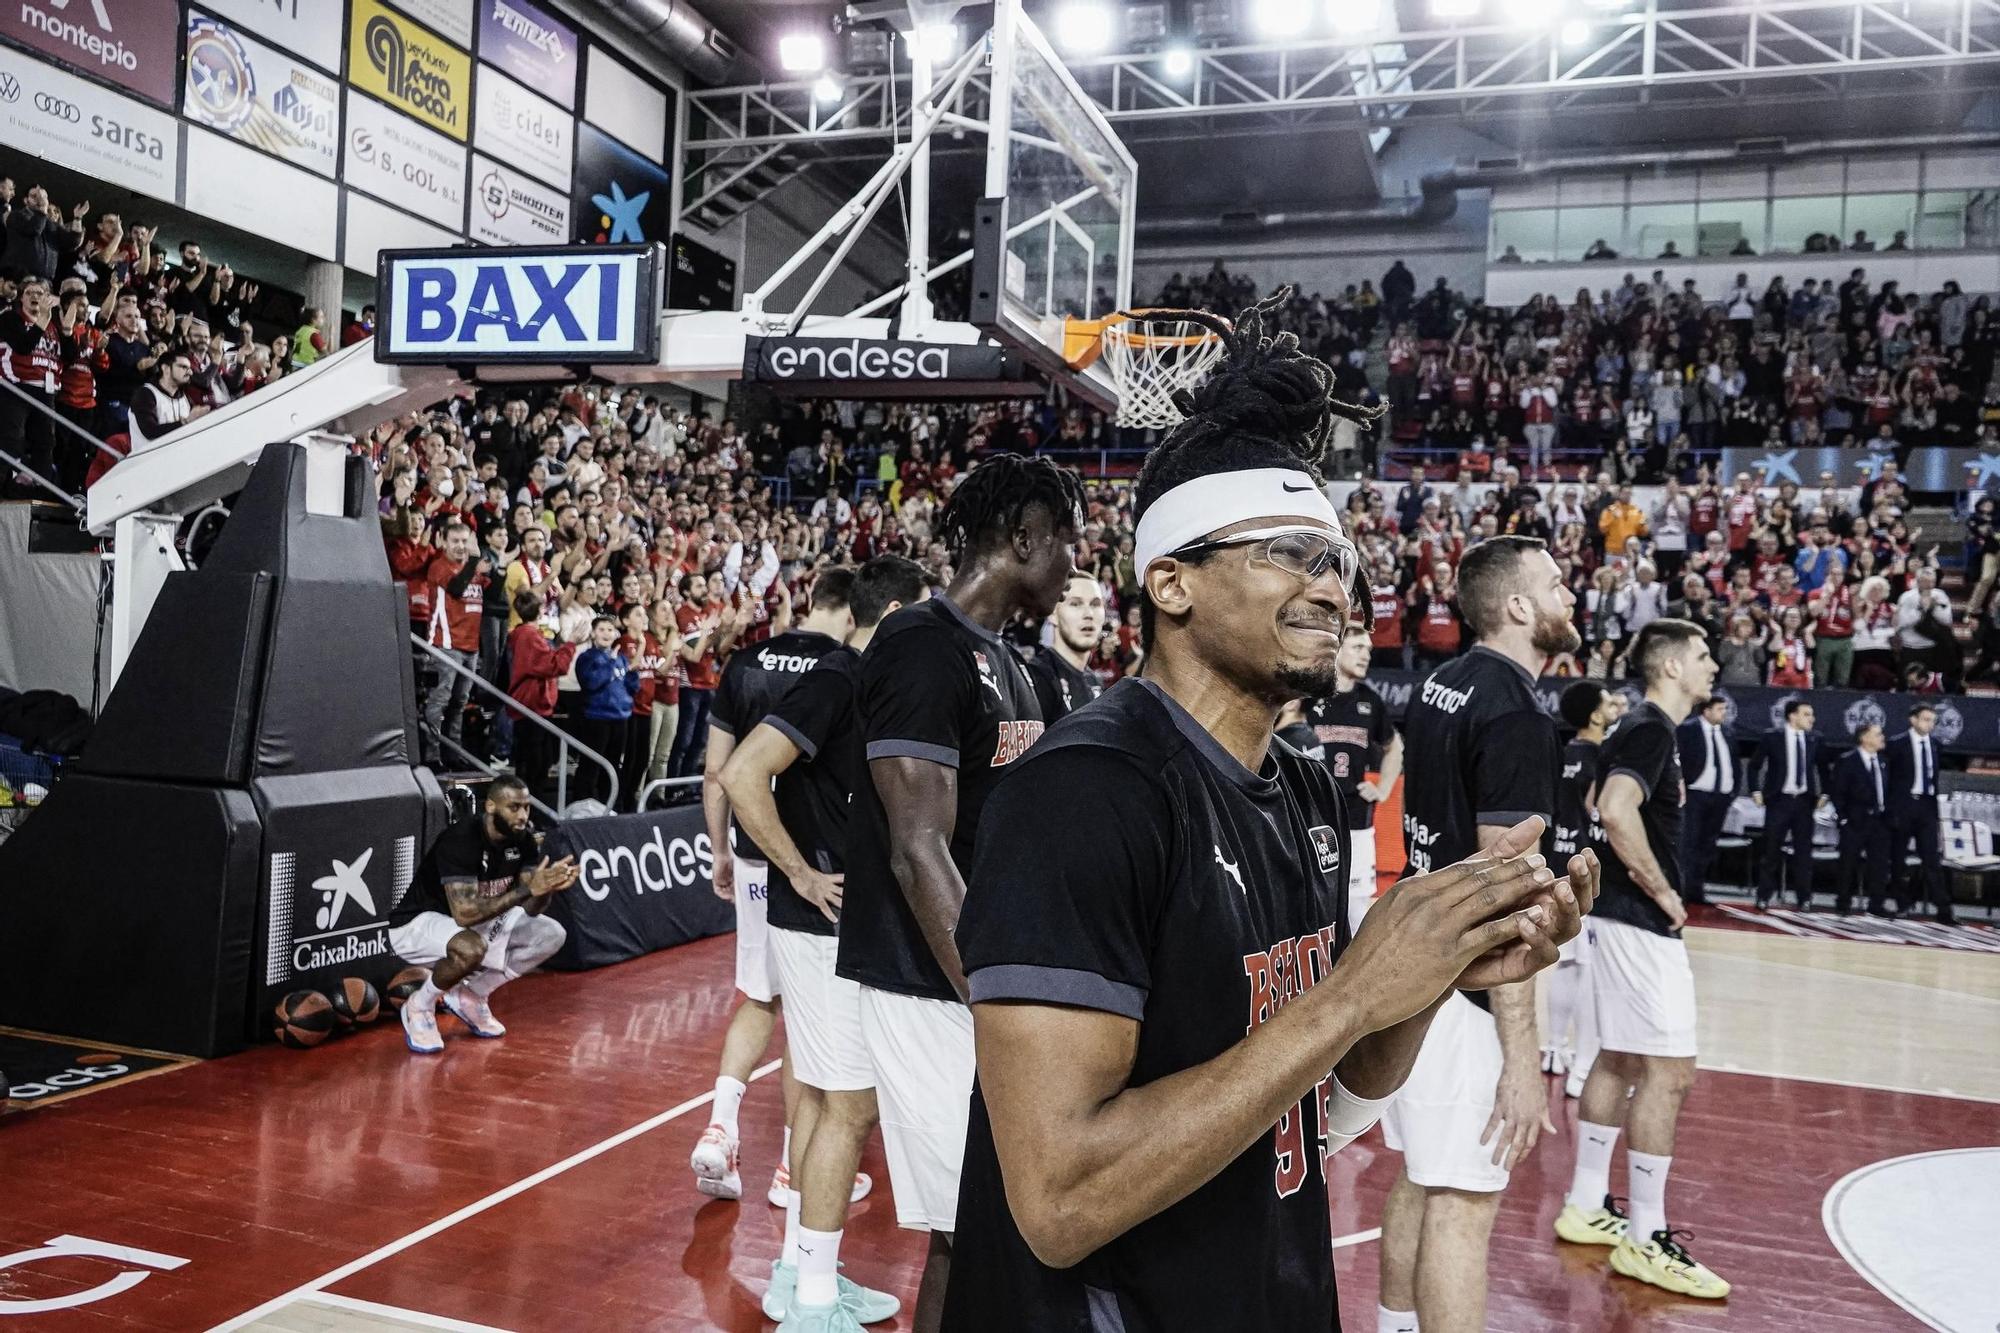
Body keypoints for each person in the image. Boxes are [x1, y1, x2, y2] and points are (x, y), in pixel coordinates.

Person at [942, 298, 1596, 1333]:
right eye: (1286, 551)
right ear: (1170, 582)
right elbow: (1059, 1200)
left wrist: (1428, 972)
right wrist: (1348, 995)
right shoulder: (1082, 792)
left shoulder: (1299, 786)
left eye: (1338, 560)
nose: (1332, 587)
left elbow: (1325, 1103)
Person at [843, 452, 1082, 1333]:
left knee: (996, 1223)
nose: (1073, 563)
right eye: (1064, 541)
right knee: (970, 1224)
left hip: (981, 972)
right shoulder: (918, 644)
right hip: (930, 979)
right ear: (1021, 535)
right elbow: (917, 849)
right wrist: (994, 995)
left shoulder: (1011, 661)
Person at [717, 555, 930, 1329]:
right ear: (900, 611)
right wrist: (803, 872)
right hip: (818, 925)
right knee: (851, 1107)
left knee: (816, 1095)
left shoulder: (862, 683)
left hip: (829, 926)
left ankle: (798, 1272)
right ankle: (810, 1304)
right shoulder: (840, 676)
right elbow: (743, 773)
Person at [1382, 533, 1582, 1333]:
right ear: (1519, 606)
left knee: (1422, 1178)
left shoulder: (1442, 683)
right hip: (1468, 987)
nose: (1571, 595)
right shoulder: (1517, 715)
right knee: (1465, 1198)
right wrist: (1523, 1062)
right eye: (1558, 584)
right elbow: (1516, 903)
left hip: (1416, 964)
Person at [1559, 618, 1729, 1299]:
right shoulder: (1653, 726)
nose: (1712, 664)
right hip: (1638, 924)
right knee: (1670, 1072)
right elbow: (1618, 808)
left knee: (1619, 1058)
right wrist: (1662, 888)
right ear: (1669, 667)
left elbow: (1605, 801)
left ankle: (1586, 1201)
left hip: (1618, 921)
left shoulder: (1641, 727)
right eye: (1702, 654)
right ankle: (1646, 1236)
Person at [690, 569, 861, 1204]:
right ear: (847, 612)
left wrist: (720, 850)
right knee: (807, 1020)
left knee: (758, 998)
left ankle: (720, 1125)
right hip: (811, 863)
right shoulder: (842, 668)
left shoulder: (744, 662)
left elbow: (717, 772)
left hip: (753, 849)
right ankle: (795, 1167)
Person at [387, 775, 576, 1055]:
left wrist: (545, 889)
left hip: (472, 921)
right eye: (514, 807)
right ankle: (420, 1005)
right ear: (490, 806)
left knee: (551, 934)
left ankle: (472, 994)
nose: (523, 816)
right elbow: (464, 914)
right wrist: (526, 889)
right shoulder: (462, 838)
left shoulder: (523, 840)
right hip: (417, 924)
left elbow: (531, 908)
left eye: (526, 807)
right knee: (471, 947)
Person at [1305, 623, 1404, 933]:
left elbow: (1394, 747)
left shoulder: (1370, 702)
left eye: (1370, 652)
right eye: (1359, 648)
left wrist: (1383, 787)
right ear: (1337, 648)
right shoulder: (1308, 696)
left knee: (1357, 903)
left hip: (1357, 817)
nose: (1366, 657)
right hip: (1311, 814)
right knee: (1311, 898)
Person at [1545, 681, 1616, 1084]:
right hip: (1589, 871)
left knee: (1568, 965)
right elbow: (1599, 809)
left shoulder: (1565, 751)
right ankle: (1584, 1067)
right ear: (1594, 714)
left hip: (1561, 860)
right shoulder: (1604, 755)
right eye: (1607, 702)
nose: (1614, 706)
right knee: (1590, 973)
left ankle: (1555, 1048)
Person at [423, 521, 492, 767]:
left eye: (465, 541)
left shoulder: (473, 569)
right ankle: (431, 754)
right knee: (440, 701)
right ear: (443, 542)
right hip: (445, 643)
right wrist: (474, 561)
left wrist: (498, 566)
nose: (461, 546)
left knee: (460, 702)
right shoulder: (439, 567)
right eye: (455, 541)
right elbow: (455, 587)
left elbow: (494, 593)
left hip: (471, 646)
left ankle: (453, 752)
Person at [1887, 703, 1956, 924]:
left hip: (1926, 807)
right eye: (1926, 719)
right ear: (1913, 720)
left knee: (1931, 859)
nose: (1930, 724)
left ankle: (1943, 909)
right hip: (1904, 805)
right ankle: (1902, 903)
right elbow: (1889, 779)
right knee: (1898, 858)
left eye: (1932, 721)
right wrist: (1891, 809)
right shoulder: (1897, 744)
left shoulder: (1935, 745)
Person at [1752, 701, 1822, 909]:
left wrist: (1824, 792)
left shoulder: (1815, 739)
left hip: (1803, 802)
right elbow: (1754, 765)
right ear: (1792, 716)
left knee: (1803, 852)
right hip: (1779, 800)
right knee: (1771, 850)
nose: (1812, 719)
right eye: (1807, 714)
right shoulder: (1772, 737)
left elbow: (1824, 768)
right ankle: (1764, 895)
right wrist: (1756, 790)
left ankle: (1804, 897)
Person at [1675, 696, 1736, 908]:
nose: (1724, 713)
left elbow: (1734, 764)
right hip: (1696, 794)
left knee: (1707, 846)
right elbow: (1678, 759)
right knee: (1688, 844)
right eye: (1720, 709)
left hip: (1720, 796)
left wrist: (1731, 792)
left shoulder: (1728, 732)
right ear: (1706, 711)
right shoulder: (1688, 729)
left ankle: (1696, 890)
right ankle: (1680, 891)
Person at [1829, 722, 1894, 917]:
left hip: (1879, 822)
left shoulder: (1883, 761)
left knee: (1880, 865)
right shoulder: (1847, 760)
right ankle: (1843, 902)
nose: (1882, 737)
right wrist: (1843, 818)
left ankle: (1877, 904)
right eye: (1877, 734)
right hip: (1855, 820)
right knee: (1848, 863)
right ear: (1864, 738)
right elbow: (1837, 792)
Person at [1023, 570, 1106, 720]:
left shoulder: (1095, 682)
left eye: (1095, 604)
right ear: (1053, 614)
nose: (1088, 614)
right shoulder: (1038, 677)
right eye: (1075, 604)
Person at [572, 615, 635, 804]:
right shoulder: (586, 658)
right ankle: (583, 806)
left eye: (610, 630)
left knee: (613, 766)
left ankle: (609, 805)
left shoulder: (621, 658)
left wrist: (632, 675)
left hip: (620, 718)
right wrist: (610, 664)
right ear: (592, 634)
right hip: (597, 719)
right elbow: (591, 682)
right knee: (591, 766)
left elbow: (631, 686)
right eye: (601, 629)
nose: (606, 633)